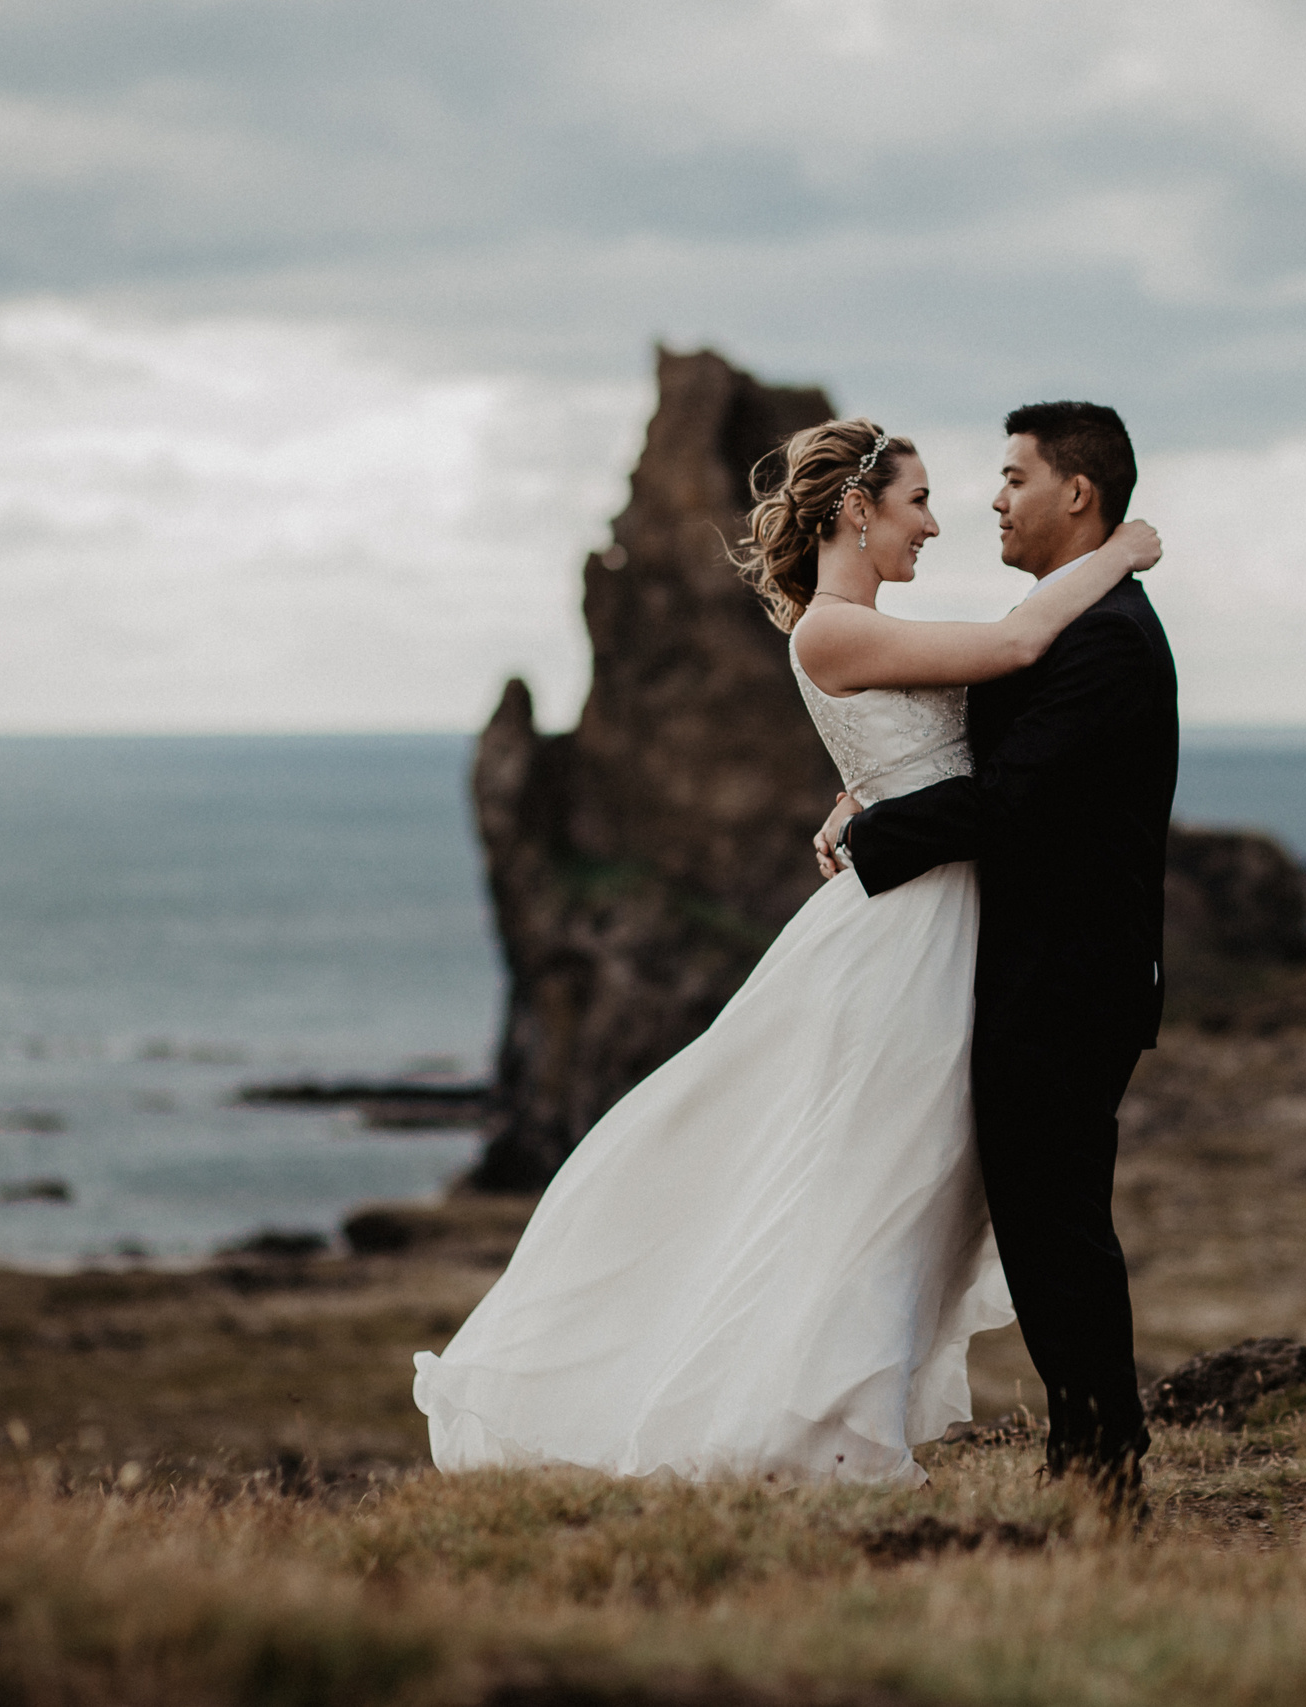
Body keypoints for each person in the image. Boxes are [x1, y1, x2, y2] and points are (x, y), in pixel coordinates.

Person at [411, 416, 1160, 1486]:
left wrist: (862, 793)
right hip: (907, 936)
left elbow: (970, 725)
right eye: (916, 503)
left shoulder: (866, 629)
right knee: (865, 1175)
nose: (937, 523)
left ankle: (862, 1419)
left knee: (911, 1185)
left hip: (952, 928)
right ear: (858, 508)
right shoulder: (827, 631)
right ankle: (811, 1428)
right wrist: (1119, 554)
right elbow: (1011, 648)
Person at [819, 401, 1176, 1506]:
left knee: (1056, 1219)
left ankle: (1104, 1464)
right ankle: (1089, 1452)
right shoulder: (1078, 618)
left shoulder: (1107, 636)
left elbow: (1012, 804)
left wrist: (874, 835)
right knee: (1038, 1215)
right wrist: (859, 789)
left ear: (1078, 494)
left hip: (1070, 979)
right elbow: (973, 734)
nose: (988, 501)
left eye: (1013, 477)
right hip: (1037, 972)